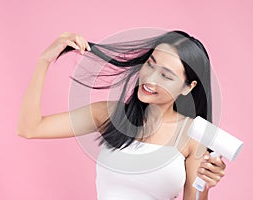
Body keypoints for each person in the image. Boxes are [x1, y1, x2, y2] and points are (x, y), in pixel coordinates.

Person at [17, 30, 226, 200]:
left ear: (188, 88)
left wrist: (203, 184)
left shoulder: (193, 136)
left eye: (165, 75)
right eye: (150, 64)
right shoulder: (110, 114)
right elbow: (30, 128)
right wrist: (43, 62)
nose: (150, 79)